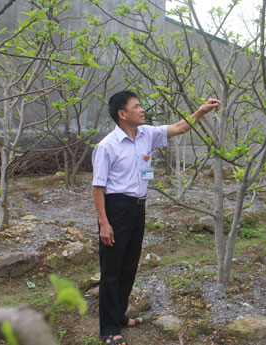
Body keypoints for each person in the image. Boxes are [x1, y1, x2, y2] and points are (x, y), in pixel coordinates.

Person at [92, 90, 221, 345]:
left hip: (138, 207)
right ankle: (107, 328)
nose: (142, 110)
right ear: (122, 113)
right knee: (111, 269)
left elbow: (180, 127)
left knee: (129, 264)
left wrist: (202, 110)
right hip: (116, 208)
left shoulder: (146, 134)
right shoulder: (107, 146)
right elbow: (98, 188)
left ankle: (119, 316)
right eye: (136, 106)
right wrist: (104, 223)